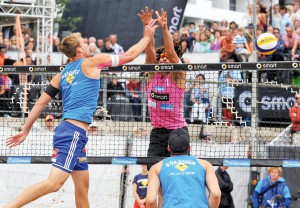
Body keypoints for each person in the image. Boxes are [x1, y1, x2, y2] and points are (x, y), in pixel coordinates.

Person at [5, 20, 159, 207]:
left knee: (82, 187)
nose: (88, 45)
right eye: (84, 44)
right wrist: (147, 37)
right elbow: (130, 55)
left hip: (71, 131)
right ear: (78, 50)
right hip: (73, 133)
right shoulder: (90, 63)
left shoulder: (62, 74)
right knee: (53, 184)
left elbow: (39, 104)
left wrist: (26, 130)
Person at [138, 7, 187, 166]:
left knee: (178, 173)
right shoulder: (153, 74)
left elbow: (172, 55)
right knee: (153, 172)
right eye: (162, 58)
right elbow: (150, 51)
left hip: (177, 131)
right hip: (157, 132)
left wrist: (165, 28)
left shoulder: (178, 75)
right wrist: (147, 27)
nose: (164, 59)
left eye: (167, 58)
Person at [146, 128, 221, 208]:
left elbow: (151, 201)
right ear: (189, 148)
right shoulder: (205, 165)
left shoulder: (156, 168)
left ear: (168, 148)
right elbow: (216, 194)